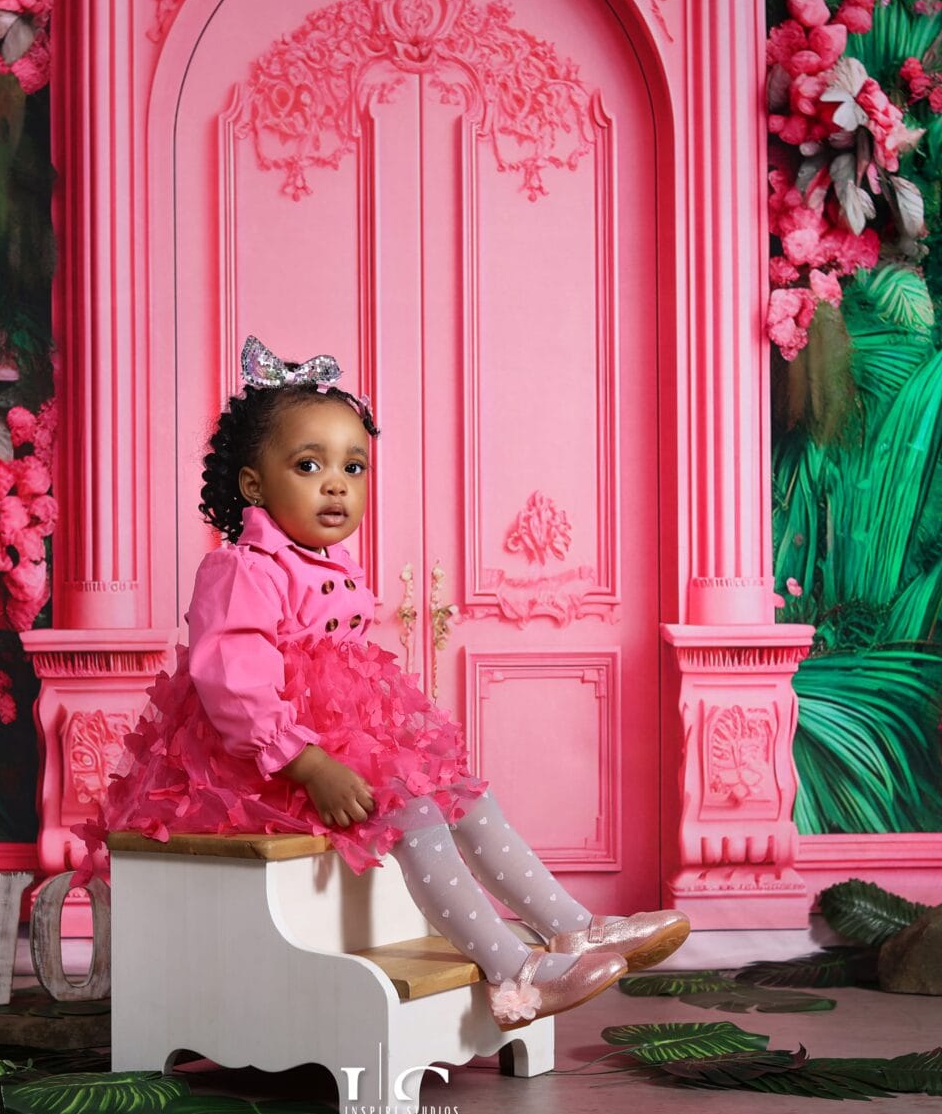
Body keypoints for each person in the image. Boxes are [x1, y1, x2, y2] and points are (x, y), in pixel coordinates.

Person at [75, 335, 689, 1029]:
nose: (336, 483)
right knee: (419, 814)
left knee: (463, 800)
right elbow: (232, 684)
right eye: (309, 465)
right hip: (260, 764)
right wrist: (306, 763)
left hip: (340, 743)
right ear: (254, 483)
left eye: (354, 466)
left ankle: (572, 927)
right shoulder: (242, 568)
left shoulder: (327, 561)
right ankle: (513, 972)